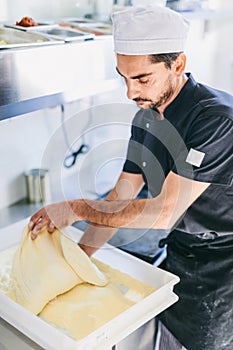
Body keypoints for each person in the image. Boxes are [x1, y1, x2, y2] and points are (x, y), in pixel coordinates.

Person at [28, 5, 233, 350]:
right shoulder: (147, 118)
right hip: (177, 264)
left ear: (177, 65)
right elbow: (119, 198)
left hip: (223, 277)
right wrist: (77, 263)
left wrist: (76, 208)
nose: (129, 93)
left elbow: (165, 211)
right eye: (124, 77)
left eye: (141, 78)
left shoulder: (216, 121)